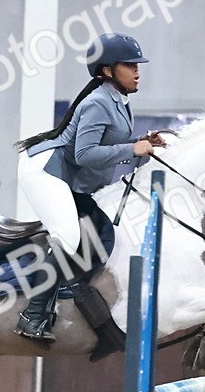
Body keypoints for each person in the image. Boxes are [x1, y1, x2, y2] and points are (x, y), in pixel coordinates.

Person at [13, 32, 165, 341]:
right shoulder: (98, 102)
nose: (137, 70)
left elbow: (110, 150)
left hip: (64, 173)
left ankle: (71, 294)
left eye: (137, 65)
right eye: (129, 65)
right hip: (45, 170)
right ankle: (32, 316)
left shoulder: (119, 102)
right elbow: (84, 154)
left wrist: (142, 145)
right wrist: (131, 149)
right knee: (68, 236)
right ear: (107, 70)